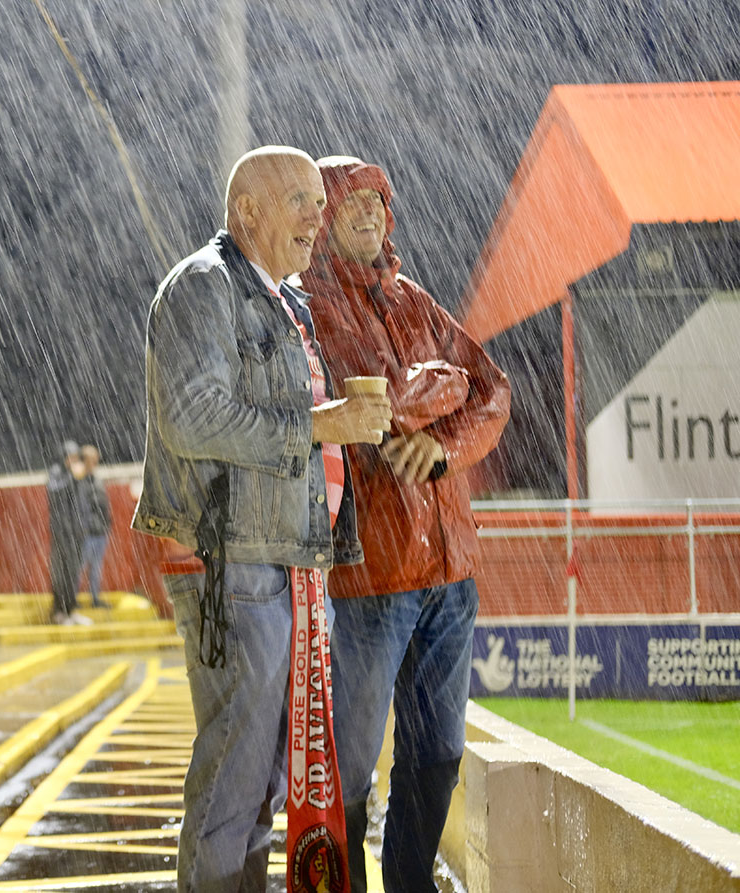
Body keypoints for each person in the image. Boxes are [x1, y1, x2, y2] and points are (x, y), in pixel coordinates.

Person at [132, 146, 392, 893]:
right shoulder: (203, 287)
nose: (321, 217)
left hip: (287, 560)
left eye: (320, 201)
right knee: (234, 782)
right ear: (247, 210)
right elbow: (192, 416)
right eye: (301, 202)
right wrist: (321, 424)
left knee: (266, 783)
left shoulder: (288, 298)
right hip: (236, 562)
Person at [301, 156, 511, 893]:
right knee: (349, 765)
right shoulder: (306, 309)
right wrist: (432, 388)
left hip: (449, 574)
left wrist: (444, 441)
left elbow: (490, 390)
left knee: (437, 756)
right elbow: (380, 401)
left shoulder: (415, 300)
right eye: (350, 201)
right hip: (369, 576)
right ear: (321, 216)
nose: (368, 213)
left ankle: (409, 884)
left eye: (378, 201)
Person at [47, 440, 86, 624]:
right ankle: (59, 611)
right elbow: (54, 490)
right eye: (71, 457)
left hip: (75, 532)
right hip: (62, 531)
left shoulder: (78, 476)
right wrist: (71, 476)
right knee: (60, 572)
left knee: (73, 571)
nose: (74, 461)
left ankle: (71, 609)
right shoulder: (57, 472)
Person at [77, 444, 110, 609]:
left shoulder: (97, 480)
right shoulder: (79, 481)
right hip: (86, 532)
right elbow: (81, 507)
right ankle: (71, 599)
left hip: (99, 532)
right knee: (80, 567)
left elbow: (103, 505)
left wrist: (106, 526)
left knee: (96, 569)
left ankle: (95, 598)